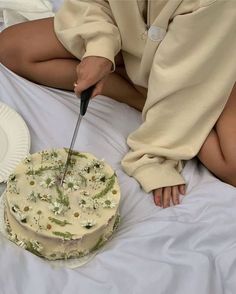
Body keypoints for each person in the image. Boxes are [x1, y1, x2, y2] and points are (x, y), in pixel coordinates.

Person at [0, 0, 235, 208]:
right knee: (11, 47)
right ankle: (143, 97)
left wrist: (156, 152)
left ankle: (165, 104)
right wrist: (99, 50)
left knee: (231, 166)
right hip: (133, 38)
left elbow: (189, 68)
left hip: (208, 55)